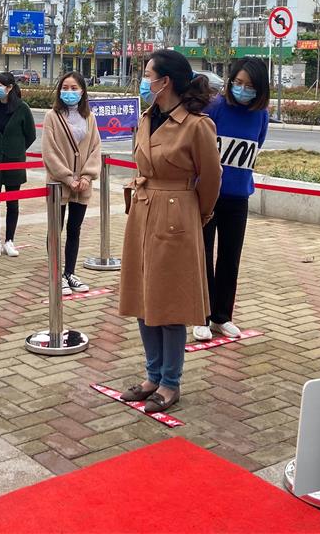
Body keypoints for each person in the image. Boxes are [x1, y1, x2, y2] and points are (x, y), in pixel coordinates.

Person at [118, 49, 221, 413]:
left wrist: (196, 214)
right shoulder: (147, 117)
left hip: (177, 214)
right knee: (143, 298)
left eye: (148, 75)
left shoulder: (196, 125)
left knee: (170, 303)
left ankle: (170, 383)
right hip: (143, 210)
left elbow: (211, 178)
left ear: (166, 82)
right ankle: (152, 376)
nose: (144, 81)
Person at [193, 57, 270, 342]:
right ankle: (200, 316)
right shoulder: (215, 108)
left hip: (238, 198)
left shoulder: (261, 115)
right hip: (207, 196)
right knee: (203, 256)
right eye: (238, 83)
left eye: (249, 85)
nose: (242, 89)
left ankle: (222, 316)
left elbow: (256, 146)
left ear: (260, 88)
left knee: (230, 258)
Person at [42, 71, 102, 294]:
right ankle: (56, 274)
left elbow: (95, 148)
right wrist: (67, 177)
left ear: (83, 91)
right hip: (59, 184)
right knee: (55, 229)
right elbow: (49, 152)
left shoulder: (89, 117)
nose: (69, 92)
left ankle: (70, 272)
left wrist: (86, 176)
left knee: (74, 229)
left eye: (74, 88)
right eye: (65, 88)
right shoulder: (52, 116)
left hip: (82, 185)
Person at [0, 72, 36, 258]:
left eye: (0, 84)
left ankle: (10, 240)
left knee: (12, 203)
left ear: (10, 87)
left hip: (14, 161)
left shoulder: (22, 108)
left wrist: (16, 149)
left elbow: (30, 135)